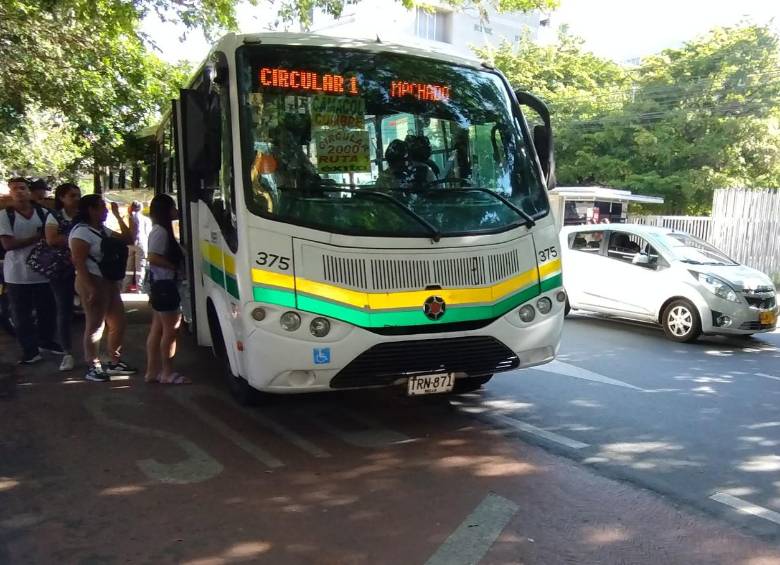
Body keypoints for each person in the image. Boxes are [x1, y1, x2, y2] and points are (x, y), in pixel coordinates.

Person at [69, 194, 137, 382]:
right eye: (102, 207)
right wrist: (91, 288)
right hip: (91, 280)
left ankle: (114, 360)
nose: (105, 211)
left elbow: (128, 239)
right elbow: (78, 262)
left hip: (108, 281)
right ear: (91, 210)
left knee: (118, 321)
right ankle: (93, 364)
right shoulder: (81, 233)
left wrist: (118, 216)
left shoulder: (101, 230)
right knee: (95, 324)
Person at [0, 177, 62, 364]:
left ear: (29, 191)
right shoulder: (5, 216)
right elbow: (8, 244)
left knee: (48, 311)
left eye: (22, 188)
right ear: (10, 193)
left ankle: (46, 342)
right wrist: (38, 237)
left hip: (43, 272)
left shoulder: (44, 213)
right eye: (14, 189)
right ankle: (30, 351)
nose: (18, 191)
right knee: (21, 315)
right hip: (17, 274)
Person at [144, 194, 190, 384]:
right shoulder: (161, 232)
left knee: (158, 329)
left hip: (160, 286)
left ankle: (152, 372)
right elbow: (153, 257)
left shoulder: (159, 230)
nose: (176, 211)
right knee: (170, 331)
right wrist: (176, 268)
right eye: (173, 207)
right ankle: (167, 373)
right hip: (166, 286)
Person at [45, 183, 81, 371]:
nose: (76, 199)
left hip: (85, 267)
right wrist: (79, 239)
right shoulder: (55, 216)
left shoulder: (83, 216)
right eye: (72, 196)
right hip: (62, 270)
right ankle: (67, 352)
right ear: (62, 198)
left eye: (78, 195)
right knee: (64, 310)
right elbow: (52, 239)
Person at [124, 201, 151, 292]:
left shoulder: (132, 216)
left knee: (128, 267)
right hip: (142, 244)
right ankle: (140, 289)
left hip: (132, 243)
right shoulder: (146, 219)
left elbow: (133, 231)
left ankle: (125, 288)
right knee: (140, 267)